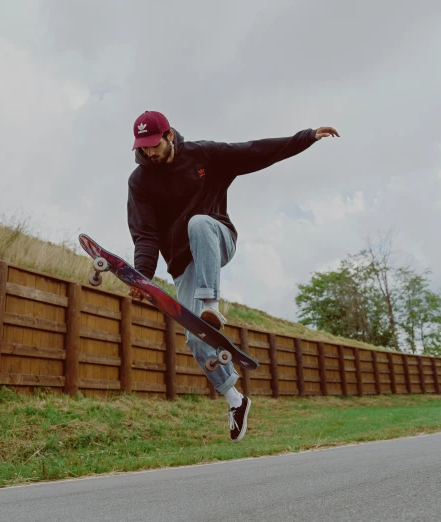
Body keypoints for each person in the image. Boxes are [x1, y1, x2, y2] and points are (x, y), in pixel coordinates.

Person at [126, 110, 339, 442]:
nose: (149, 153)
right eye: (143, 148)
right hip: (184, 264)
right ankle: (235, 401)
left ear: (169, 136)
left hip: (217, 237)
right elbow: (145, 236)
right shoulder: (139, 182)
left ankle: (211, 304)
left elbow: (253, 150)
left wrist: (306, 137)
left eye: (154, 145)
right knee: (196, 337)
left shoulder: (203, 154)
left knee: (198, 223)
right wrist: (142, 278)